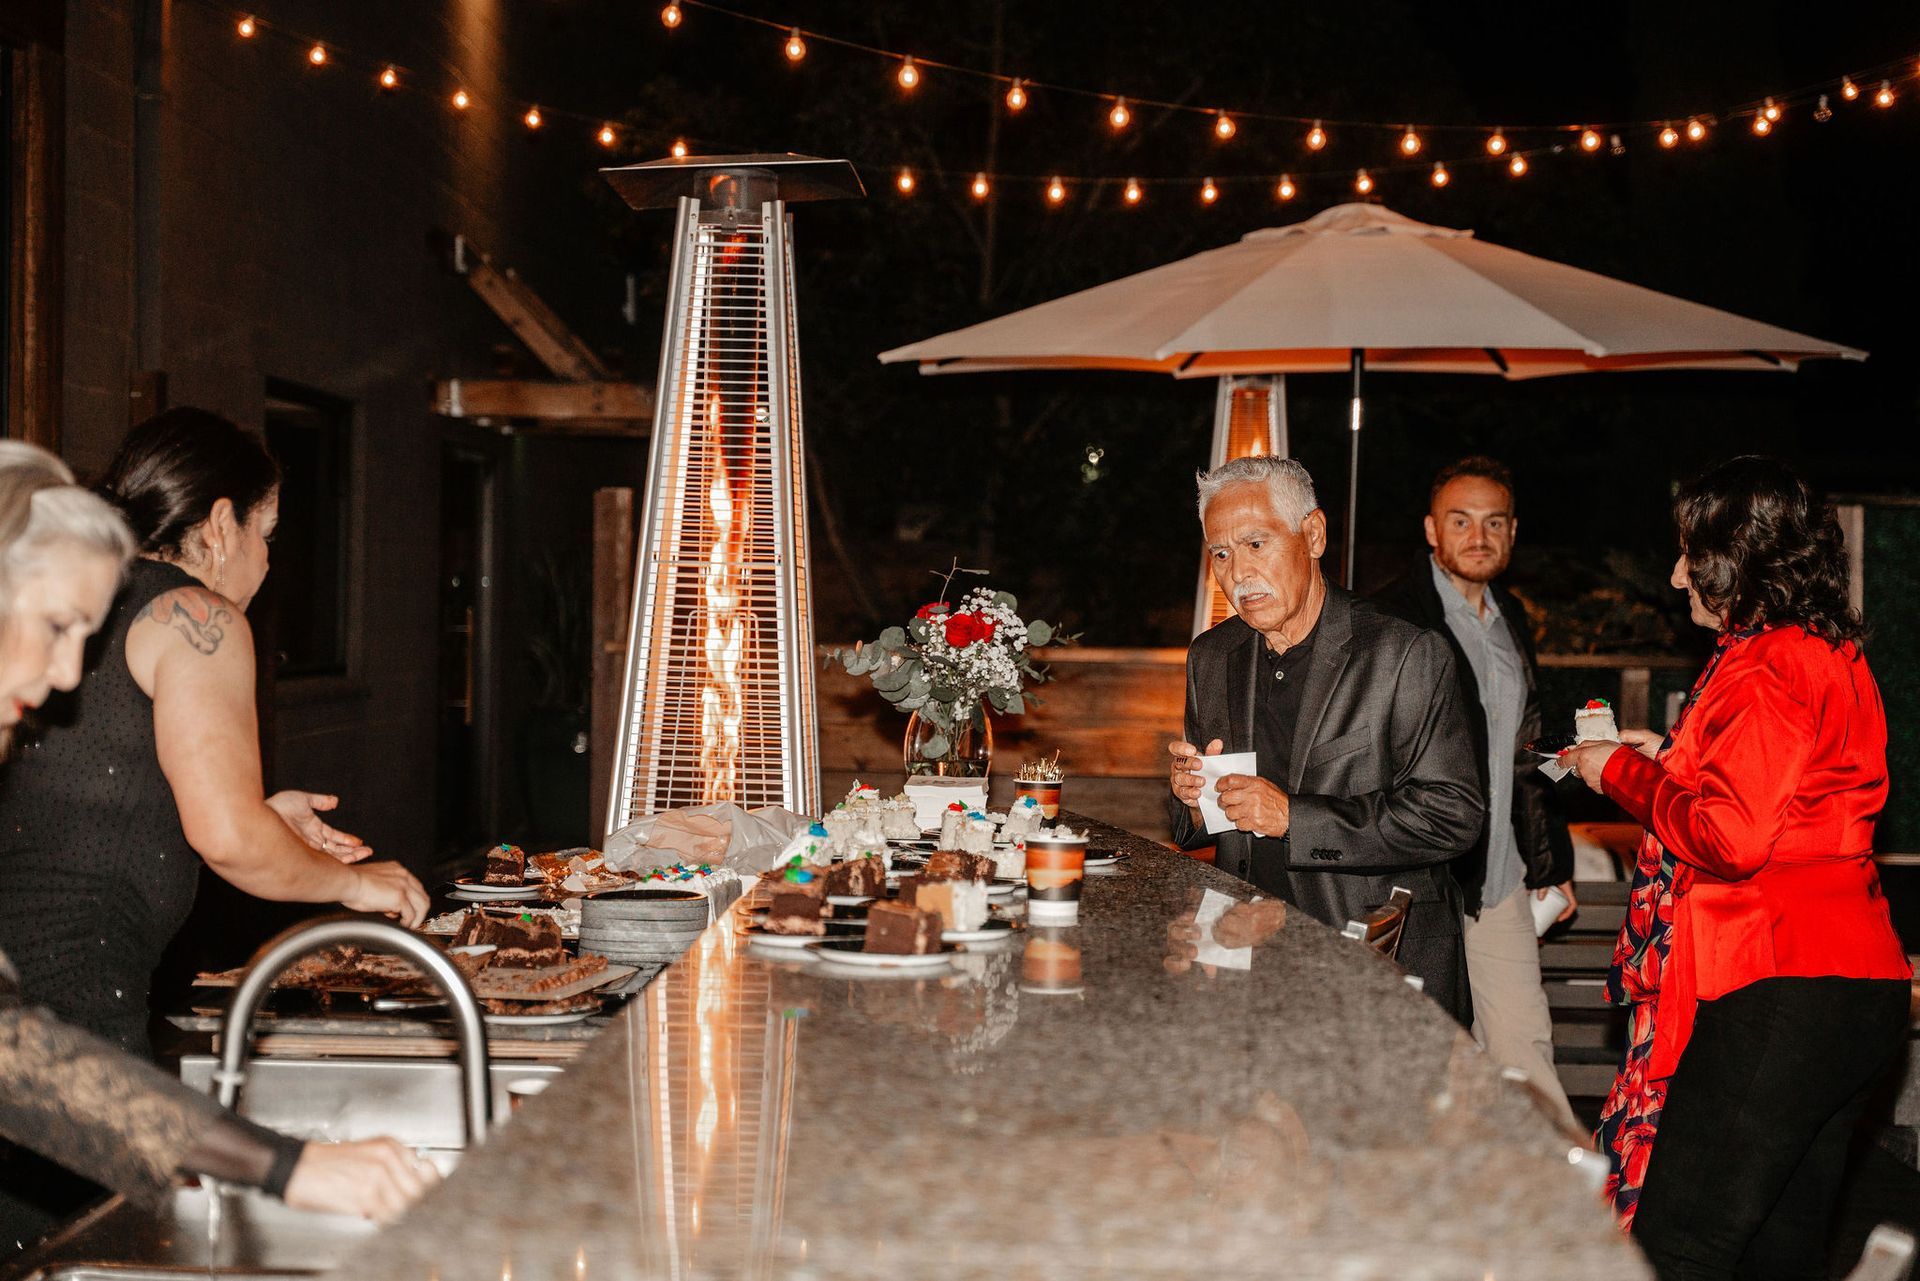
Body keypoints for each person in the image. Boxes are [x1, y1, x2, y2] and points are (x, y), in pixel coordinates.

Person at [0, 442, 433, 1249]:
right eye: (55, 627)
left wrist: (256, 812)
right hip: (76, 1006)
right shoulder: (195, 614)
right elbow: (20, 1063)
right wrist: (287, 1165)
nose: (65, 676)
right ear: (224, 523)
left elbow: (81, 809)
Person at [1561, 456, 1911, 1275]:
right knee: (1775, 1251)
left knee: (1679, 1246)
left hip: (1778, 981)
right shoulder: (1830, 650)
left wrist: (1614, 769)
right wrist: (1672, 756)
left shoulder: (1764, 664)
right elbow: (1798, 799)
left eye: (1690, 551)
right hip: (1857, 983)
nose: (1677, 572)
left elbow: (1731, 836)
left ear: (1734, 559)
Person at [1166, 455, 1484, 1021]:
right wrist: (1193, 797)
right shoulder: (1211, 657)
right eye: (1220, 552)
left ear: (1312, 534)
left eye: (1256, 544)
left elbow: (1451, 815)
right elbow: (1200, 826)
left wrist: (1294, 818)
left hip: (1372, 962)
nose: (1237, 572)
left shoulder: (1403, 653)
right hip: (1245, 960)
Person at [1372, 457, 1579, 1131]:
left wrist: (1555, 866)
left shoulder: (1512, 618)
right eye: (1461, 520)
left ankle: (1550, 1214)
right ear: (1433, 529)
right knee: (1421, 1064)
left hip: (1502, 883)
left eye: (1494, 522)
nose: (1478, 535)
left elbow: (1527, 753)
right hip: (1421, 880)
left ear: (1513, 531)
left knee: (1526, 1055)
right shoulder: (1390, 617)